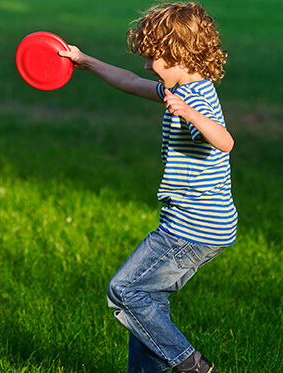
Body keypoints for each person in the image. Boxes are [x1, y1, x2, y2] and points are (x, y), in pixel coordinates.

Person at [58, 2, 236, 372]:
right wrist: (85, 61)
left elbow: (225, 141)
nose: (146, 65)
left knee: (125, 291)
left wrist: (190, 114)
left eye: (153, 56)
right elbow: (131, 82)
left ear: (179, 54)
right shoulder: (181, 88)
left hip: (192, 228)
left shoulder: (197, 99)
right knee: (149, 299)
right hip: (199, 223)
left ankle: (191, 365)